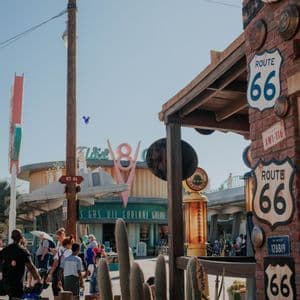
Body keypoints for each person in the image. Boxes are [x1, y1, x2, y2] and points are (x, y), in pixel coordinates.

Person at [0, 229, 41, 299]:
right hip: (17, 284)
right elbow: (31, 267)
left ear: (12, 237)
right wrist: (38, 279)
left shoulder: (5, 250)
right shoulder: (23, 251)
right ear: (21, 237)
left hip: (6, 283)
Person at [46, 227, 66, 299]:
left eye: (59, 237)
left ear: (62, 236)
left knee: (59, 286)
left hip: (61, 267)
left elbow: (57, 258)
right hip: (59, 266)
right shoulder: (59, 243)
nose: (58, 239)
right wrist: (54, 251)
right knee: (56, 286)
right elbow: (57, 254)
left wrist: (50, 273)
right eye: (57, 237)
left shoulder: (64, 244)